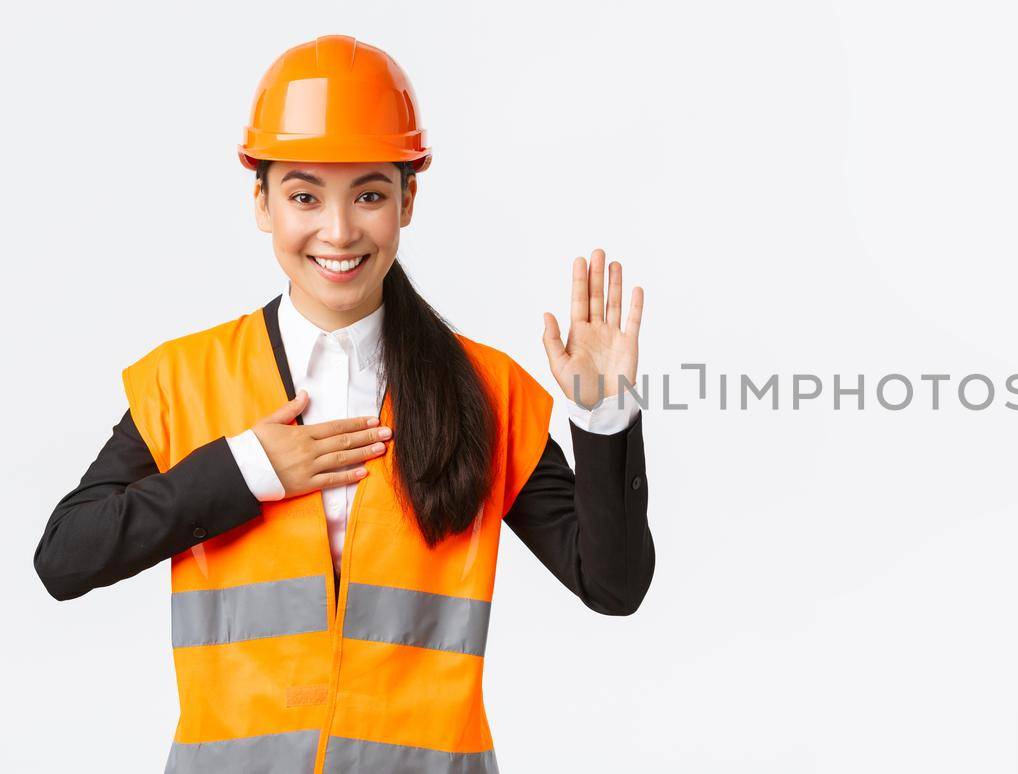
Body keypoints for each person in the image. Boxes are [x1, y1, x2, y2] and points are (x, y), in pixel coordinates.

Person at [31, 34, 654, 773]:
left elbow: (612, 584)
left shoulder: (484, 392)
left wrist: (601, 413)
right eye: (303, 195)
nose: (338, 230)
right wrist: (246, 469)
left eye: (368, 194)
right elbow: (64, 559)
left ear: (407, 201)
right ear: (261, 202)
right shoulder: (184, 380)